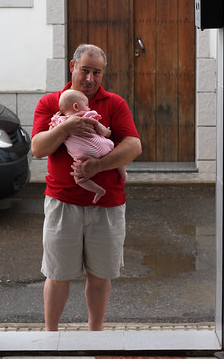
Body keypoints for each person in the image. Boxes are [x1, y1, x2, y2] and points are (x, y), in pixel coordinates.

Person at [31, 44, 142, 331]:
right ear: (72, 67)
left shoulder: (115, 103)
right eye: (85, 70)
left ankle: (96, 333)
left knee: (100, 275)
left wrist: (97, 166)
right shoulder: (52, 103)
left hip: (107, 205)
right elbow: (38, 149)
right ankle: (50, 336)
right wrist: (65, 128)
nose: (90, 78)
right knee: (57, 274)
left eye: (97, 72)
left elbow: (133, 146)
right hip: (62, 203)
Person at [49, 89, 127, 204]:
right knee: (117, 155)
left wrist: (54, 119)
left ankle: (98, 190)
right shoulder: (86, 115)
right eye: (86, 105)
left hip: (83, 156)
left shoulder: (59, 121)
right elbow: (98, 127)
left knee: (78, 178)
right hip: (104, 147)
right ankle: (123, 174)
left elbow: (52, 134)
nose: (89, 108)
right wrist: (107, 132)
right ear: (76, 106)